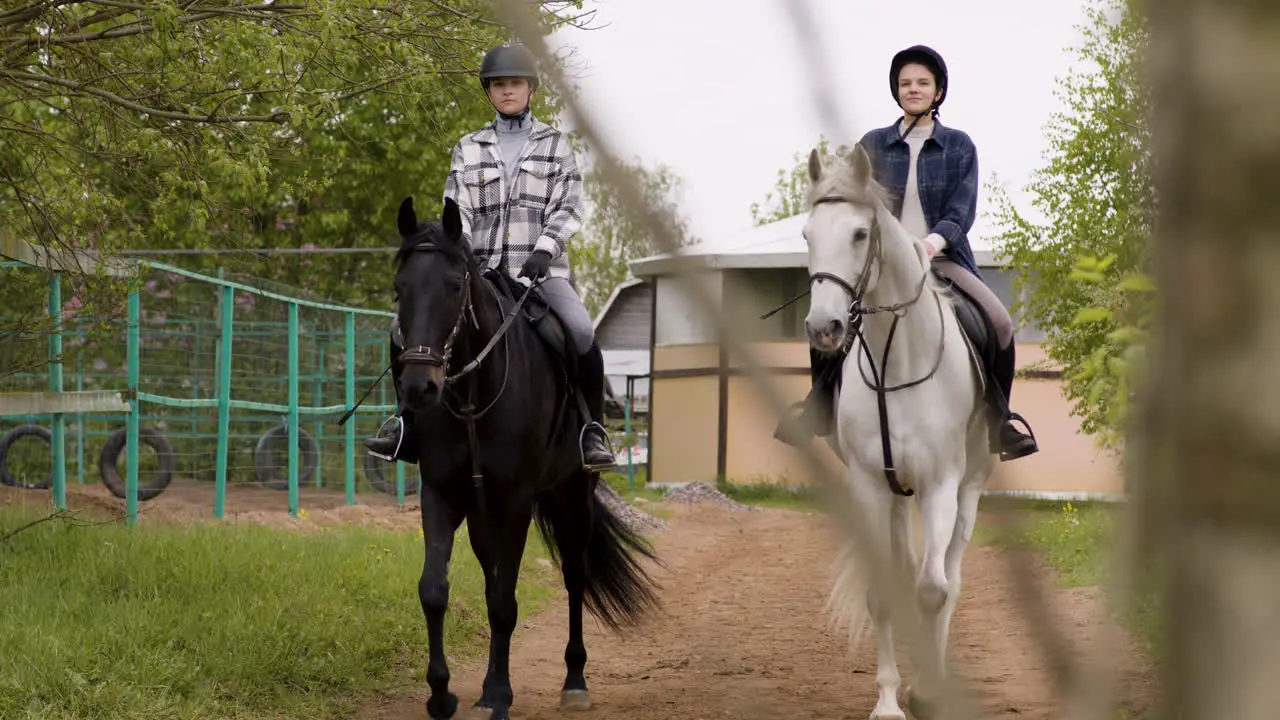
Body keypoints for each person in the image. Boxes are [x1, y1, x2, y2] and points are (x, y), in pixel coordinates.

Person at [774, 44, 1039, 462]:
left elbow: (961, 210)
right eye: (905, 83)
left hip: (944, 258)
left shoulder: (959, 146)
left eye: (922, 83)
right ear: (896, 91)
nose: (913, 89)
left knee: (1001, 324)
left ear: (938, 92)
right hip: (881, 265)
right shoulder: (872, 145)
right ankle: (818, 406)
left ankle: (998, 422)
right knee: (828, 315)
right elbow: (851, 205)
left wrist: (931, 244)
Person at [365, 42, 617, 472]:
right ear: (489, 92)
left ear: (531, 90)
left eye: (514, 84)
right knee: (399, 329)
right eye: (498, 85)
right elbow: (455, 205)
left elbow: (570, 205)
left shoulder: (556, 145)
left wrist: (544, 249)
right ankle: (405, 423)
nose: (506, 91)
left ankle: (589, 431)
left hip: (540, 274)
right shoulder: (469, 147)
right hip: (477, 273)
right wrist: (454, 246)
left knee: (579, 332)